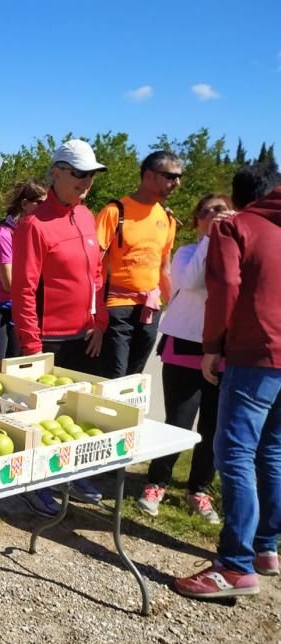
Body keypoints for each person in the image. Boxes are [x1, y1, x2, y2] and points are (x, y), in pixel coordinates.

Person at [175, 167, 281, 599]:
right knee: (271, 450)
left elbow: (226, 286)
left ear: (240, 199)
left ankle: (234, 566)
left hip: (253, 351)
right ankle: (265, 548)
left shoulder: (235, 228)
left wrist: (212, 346)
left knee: (234, 451)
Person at [12, 139, 108, 512]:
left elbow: (97, 275)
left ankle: (72, 471)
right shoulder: (33, 225)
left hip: (85, 335)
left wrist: (99, 323)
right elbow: (23, 289)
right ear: (57, 172)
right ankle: (35, 480)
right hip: (48, 338)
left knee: (76, 414)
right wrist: (32, 347)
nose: (86, 182)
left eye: (92, 176)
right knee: (42, 416)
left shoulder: (86, 216)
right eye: (79, 174)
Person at [137, 194, 234, 523]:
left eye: (220, 212)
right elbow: (191, 281)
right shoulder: (188, 253)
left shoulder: (238, 253)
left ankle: (200, 489)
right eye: (206, 213)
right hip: (184, 345)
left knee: (212, 426)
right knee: (178, 421)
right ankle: (156, 483)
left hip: (221, 350)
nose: (213, 217)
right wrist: (210, 239)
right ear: (196, 221)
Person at [95, 151, 181, 378]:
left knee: (135, 381)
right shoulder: (115, 212)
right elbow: (93, 265)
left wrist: (174, 312)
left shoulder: (167, 218)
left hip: (150, 308)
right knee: (114, 379)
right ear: (149, 176)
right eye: (170, 176)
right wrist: (96, 314)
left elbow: (165, 268)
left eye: (178, 177)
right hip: (116, 307)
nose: (177, 183)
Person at [0, 180, 47, 360]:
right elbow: (9, 284)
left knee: (16, 364)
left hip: (18, 306)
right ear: (24, 204)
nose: (44, 208)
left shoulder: (30, 233)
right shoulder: (3, 235)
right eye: (40, 203)